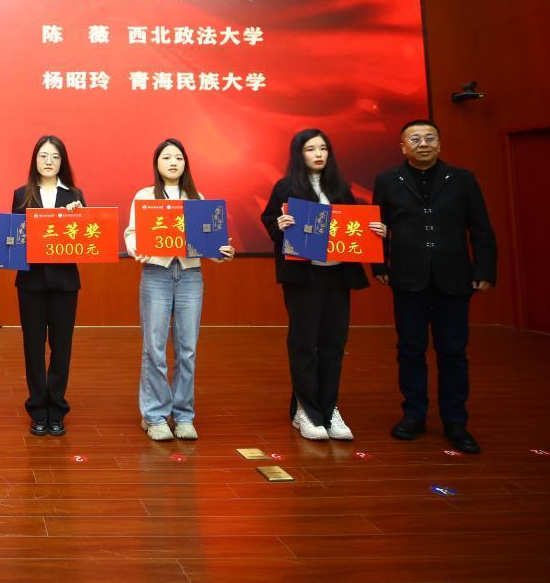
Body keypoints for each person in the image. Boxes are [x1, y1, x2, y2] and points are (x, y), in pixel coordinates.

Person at [373, 119, 496, 454]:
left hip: (454, 278)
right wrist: (380, 265)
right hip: (407, 278)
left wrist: (484, 269)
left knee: (453, 352)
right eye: (415, 139)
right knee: (410, 350)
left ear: (440, 144)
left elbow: (481, 228)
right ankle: (413, 415)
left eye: (430, 138)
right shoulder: (387, 180)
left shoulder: (463, 179)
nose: (423, 143)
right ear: (403, 147)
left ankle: (455, 421)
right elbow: (377, 227)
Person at [259, 129, 386, 442]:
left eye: (323, 148)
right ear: (299, 154)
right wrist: (280, 224)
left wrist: (376, 231)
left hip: (337, 275)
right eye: (310, 149)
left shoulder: (340, 186)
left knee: (333, 343)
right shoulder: (286, 186)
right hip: (304, 277)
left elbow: (356, 227)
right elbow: (270, 220)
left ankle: (329, 408)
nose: (318, 154)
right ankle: (308, 410)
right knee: (304, 342)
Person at [124, 138, 235, 442]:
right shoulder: (145, 196)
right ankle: (155, 415)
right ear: (156, 164)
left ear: (185, 164)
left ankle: (184, 415)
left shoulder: (198, 199)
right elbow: (132, 234)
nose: (173, 162)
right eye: (166, 157)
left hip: (189, 276)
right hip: (156, 274)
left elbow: (209, 242)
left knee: (188, 349)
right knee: (154, 347)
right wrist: (137, 249)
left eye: (178, 158)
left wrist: (221, 252)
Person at [0, 135, 84, 436]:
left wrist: (79, 218)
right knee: (33, 346)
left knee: (62, 347)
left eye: (55, 156)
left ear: (62, 161)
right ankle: (38, 409)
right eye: (43, 156)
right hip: (31, 283)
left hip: (65, 282)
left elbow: (84, 240)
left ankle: (58, 409)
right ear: (35, 161)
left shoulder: (75, 195)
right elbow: (14, 236)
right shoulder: (21, 194)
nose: (49, 161)